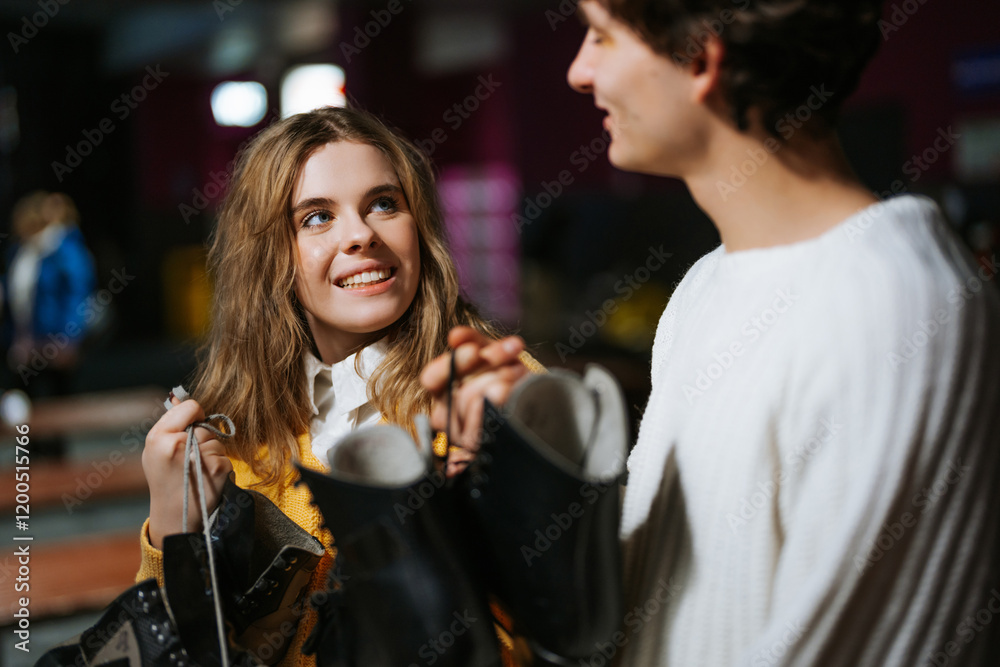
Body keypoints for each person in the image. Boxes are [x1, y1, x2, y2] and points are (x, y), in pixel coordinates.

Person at [422, 1, 1000, 665]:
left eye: (602, 36)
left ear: (701, 58)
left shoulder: (897, 306)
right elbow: (659, 605)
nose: (580, 72)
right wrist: (540, 452)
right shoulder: (706, 287)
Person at [138, 106, 540, 666]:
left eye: (383, 204)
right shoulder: (235, 428)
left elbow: (569, 630)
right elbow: (177, 651)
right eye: (316, 217)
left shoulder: (491, 388)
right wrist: (171, 529)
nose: (361, 235)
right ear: (269, 258)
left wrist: (500, 496)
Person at [2, 190, 96, 456]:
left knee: (55, 409)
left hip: (55, 343)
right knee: (24, 408)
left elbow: (78, 294)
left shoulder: (63, 248)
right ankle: (28, 463)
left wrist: (69, 336)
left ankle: (55, 466)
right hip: (25, 345)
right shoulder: (22, 251)